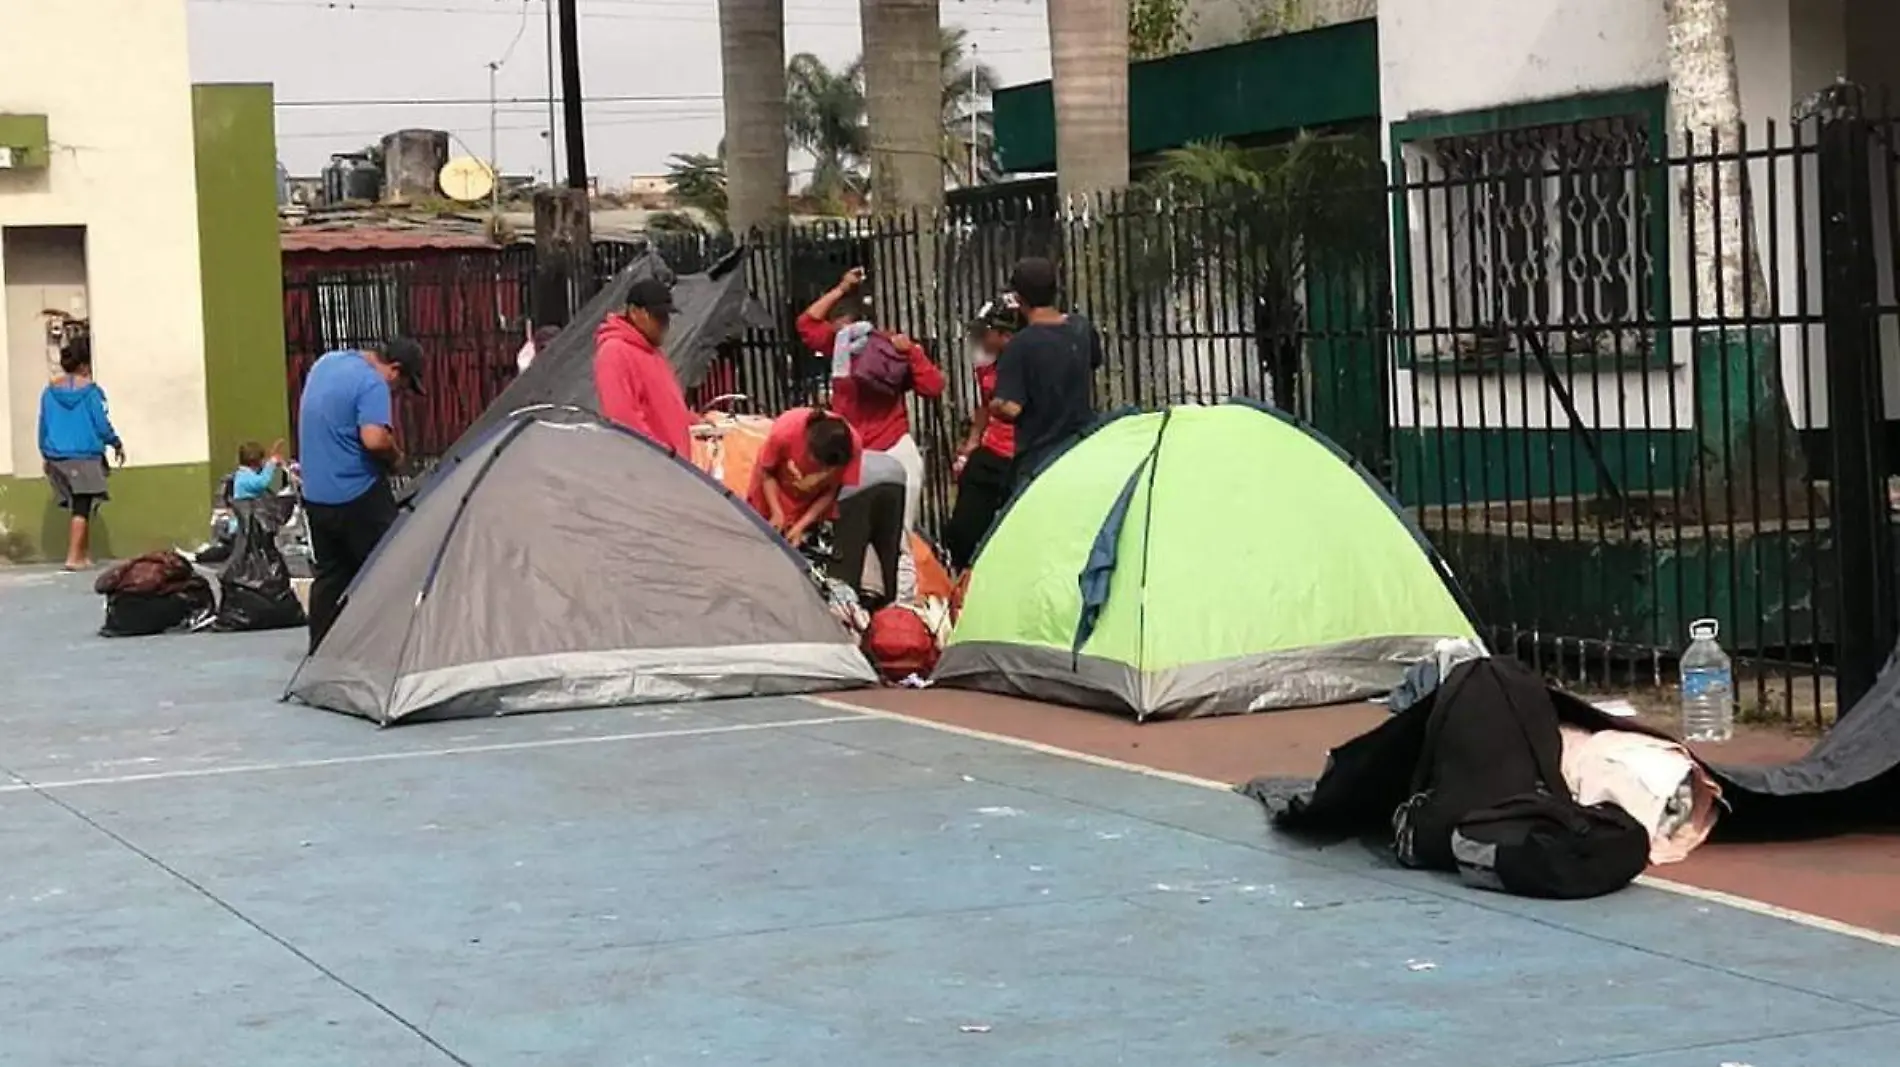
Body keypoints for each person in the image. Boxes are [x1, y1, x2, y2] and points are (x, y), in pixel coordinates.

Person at [796, 267, 945, 592]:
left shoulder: (882, 348)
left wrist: (913, 354)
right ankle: (878, 601)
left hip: (882, 453)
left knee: (894, 540)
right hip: (865, 455)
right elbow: (806, 324)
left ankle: (899, 608)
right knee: (871, 538)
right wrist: (842, 287)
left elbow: (933, 386)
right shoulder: (863, 345)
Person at [299, 337, 424, 652]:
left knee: (331, 577)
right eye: (403, 386)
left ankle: (323, 652)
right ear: (395, 370)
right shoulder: (373, 384)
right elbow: (375, 439)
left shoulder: (327, 363)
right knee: (386, 569)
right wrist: (397, 459)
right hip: (356, 493)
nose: (396, 394)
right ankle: (389, 652)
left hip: (316, 494)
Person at [990, 256, 1103, 495]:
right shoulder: (1081, 328)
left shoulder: (1020, 345)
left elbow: (1011, 409)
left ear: (1019, 299)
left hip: (1040, 460)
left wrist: (996, 405)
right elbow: (1092, 362)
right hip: (1083, 449)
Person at [942, 292, 1025, 571]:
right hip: (991, 450)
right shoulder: (989, 365)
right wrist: (972, 442)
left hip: (1021, 455)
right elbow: (985, 405)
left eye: (986, 332)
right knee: (961, 532)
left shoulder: (1029, 361)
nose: (981, 339)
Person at [38, 336, 124, 571]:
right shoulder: (91, 392)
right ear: (85, 364)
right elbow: (101, 423)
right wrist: (115, 442)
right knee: (82, 505)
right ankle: (74, 556)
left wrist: (45, 454)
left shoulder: (49, 392)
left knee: (82, 504)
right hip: (83, 454)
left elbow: (43, 425)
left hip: (56, 455)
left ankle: (83, 554)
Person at [595, 277, 695, 455]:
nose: (664, 324)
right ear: (634, 312)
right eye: (658, 316)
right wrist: (659, 458)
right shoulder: (614, 352)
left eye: (666, 317)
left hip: (672, 468)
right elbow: (623, 420)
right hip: (651, 469)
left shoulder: (652, 352)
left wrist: (694, 421)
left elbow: (666, 405)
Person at [745, 407, 862, 548]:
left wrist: (800, 526)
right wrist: (776, 512)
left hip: (811, 504)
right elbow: (767, 472)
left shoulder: (853, 447)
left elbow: (831, 491)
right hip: (772, 490)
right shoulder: (784, 432)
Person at [833, 451, 908, 610]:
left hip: (854, 485)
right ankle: (885, 620)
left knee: (844, 575)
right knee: (889, 567)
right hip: (893, 473)